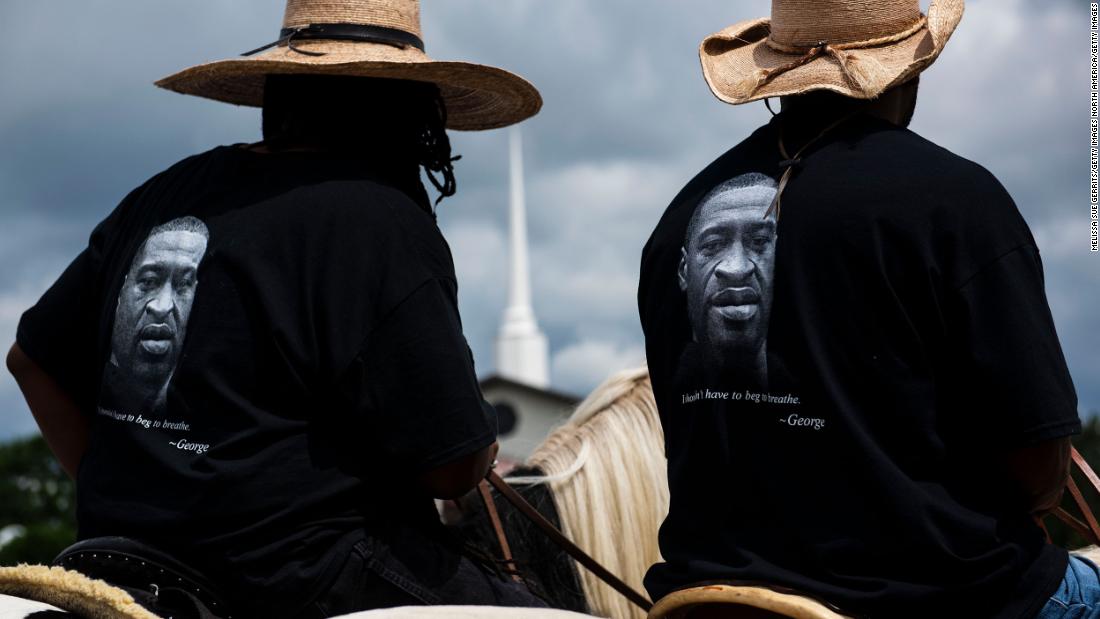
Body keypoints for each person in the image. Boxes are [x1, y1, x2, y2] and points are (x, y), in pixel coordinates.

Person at [6, 0, 547, 617]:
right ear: (409, 108)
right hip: (300, 572)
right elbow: (450, 471)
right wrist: (474, 441)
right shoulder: (379, 217)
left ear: (277, 92)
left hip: (116, 553)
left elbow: (31, 360)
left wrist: (125, 495)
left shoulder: (167, 190)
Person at [638, 0, 1088, 617]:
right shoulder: (958, 200)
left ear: (779, 76)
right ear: (907, 70)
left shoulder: (679, 221)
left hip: (708, 597)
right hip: (945, 598)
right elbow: (1039, 473)